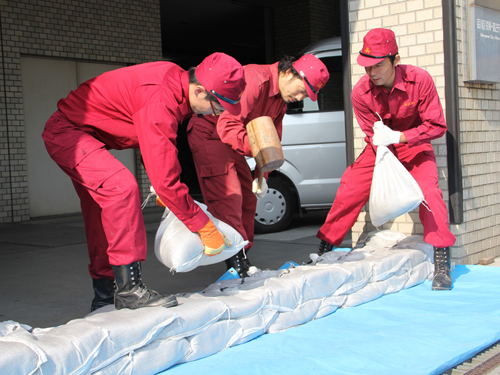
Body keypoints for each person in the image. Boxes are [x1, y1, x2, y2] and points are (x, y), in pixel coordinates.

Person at [42, 53, 246, 311]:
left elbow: (160, 145)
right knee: (122, 188)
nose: (217, 113)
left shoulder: (175, 83)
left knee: (102, 211)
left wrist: (166, 183)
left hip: (86, 134)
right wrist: (202, 225)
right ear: (199, 90)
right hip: (68, 133)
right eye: (217, 106)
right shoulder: (162, 97)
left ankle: (104, 295)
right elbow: (166, 180)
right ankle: (129, 290)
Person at [315, 28, 456, 290]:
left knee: (430, 193)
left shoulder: (420, 80)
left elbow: (436, 125)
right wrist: (382, 139)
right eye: (367, 67)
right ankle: (324, 248)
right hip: (380, 150)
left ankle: (441, 261)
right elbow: (371, 134)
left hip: (413, 146)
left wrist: (401, 136)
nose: (372, 73)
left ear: (396, 60)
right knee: (350, 188)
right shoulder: (360, 92)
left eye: (378, 65)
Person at [187, 54, 329, 277]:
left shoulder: (280, 100)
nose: (300, 97)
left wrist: (262, 173)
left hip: (234, 140)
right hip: (210, 132)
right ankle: (236, 264)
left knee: (248, 198)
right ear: (289, 72)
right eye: (302, 90)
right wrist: (259, 152)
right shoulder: (256, 80)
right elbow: (228, 124)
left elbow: (272, 140)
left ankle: (242, 255)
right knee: (230, 196)